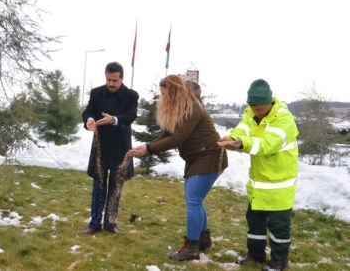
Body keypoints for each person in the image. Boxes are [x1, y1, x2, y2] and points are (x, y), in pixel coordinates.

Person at [128, 74, 228, 261]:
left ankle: (192, 247)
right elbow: (167, 134)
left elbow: (176, 139)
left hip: (210, 156)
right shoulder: (179, 108)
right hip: (197, 157)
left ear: (174, 92)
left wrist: (148, 149)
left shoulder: (192, 109)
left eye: (165, 93)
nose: (162, 97)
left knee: (193, 200)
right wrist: (146, 146)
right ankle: (203, 239)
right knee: (194, 200)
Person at [217, 79, 299, 271]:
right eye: (252, 107)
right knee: (255, 223)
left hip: (280, 185)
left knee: (279, 227)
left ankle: (279, 260)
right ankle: (255, 255)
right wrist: (233, 137)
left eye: (259, 108)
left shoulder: (284, 119)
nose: (255, 111)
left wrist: (242, 144)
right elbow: (243, 129)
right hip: (258, 183)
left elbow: (267, 144)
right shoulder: (250, 112)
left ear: (269, 103)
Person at [81, 61, 139, 235]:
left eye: (114, 80)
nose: (111, 84)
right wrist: (89, 120)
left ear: (122, 78)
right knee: (98, 184)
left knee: (116, 185)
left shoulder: (131, 95)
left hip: (121, 147)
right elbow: (88, 111)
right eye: (108, 79)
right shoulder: (97, 93)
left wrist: (113, 119)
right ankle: (94, 223)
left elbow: (130, 116)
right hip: (101, 146)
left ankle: (111, 223)